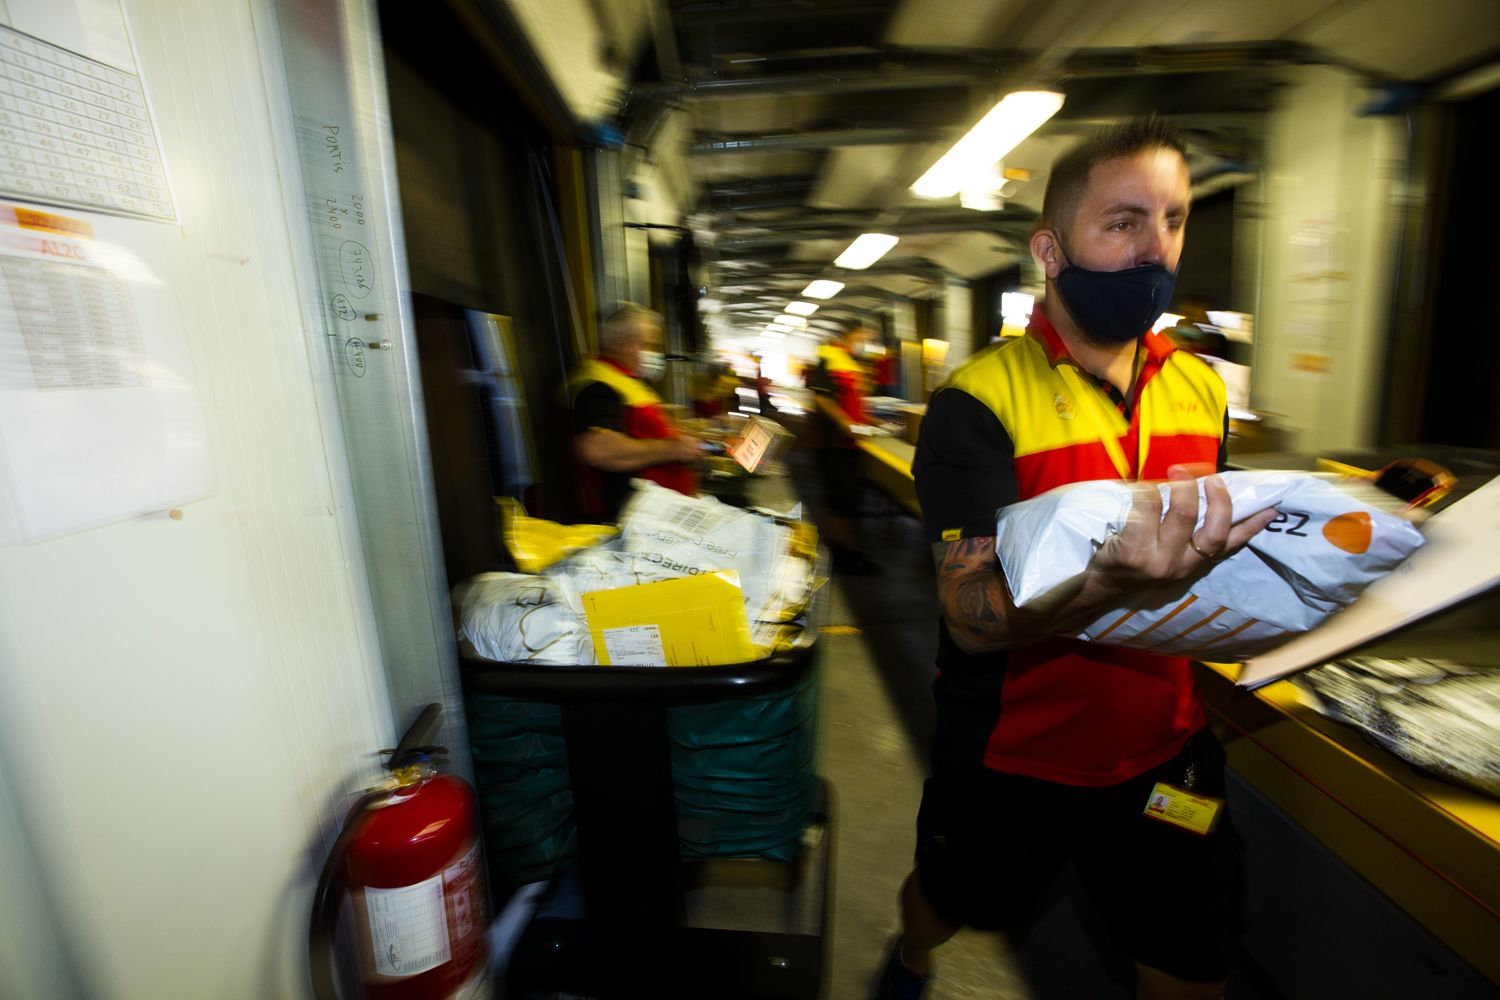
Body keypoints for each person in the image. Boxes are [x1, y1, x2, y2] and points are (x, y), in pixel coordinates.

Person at [876, 118, 1279, 1000]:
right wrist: (1109, 578)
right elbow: (970, 618)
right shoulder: (980, 403)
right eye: (1123, 222)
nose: (1155, 249)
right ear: (1051, 251)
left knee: (1191, 962)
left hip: (1164, 746)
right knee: (948, 901)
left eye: (1172, 219)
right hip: (1015, 755)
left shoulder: (1202, 388)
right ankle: (909, 954)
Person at [569, 303, 701, 522]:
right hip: (630, 520)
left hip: (661, 514)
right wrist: (673, 448)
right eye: (648, 345)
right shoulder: (598, 385)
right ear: (622, 343)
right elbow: (597, 448)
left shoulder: (624, 378)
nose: (655, 353)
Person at [807, 321, 885, 574]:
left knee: (851, 501)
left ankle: (853, 551)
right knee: (840, 501)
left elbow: (854, 403)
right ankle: (844, 555)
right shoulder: (828, 358)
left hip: (850, 445)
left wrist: (876, 422)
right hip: (833, 444)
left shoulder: (851, 362)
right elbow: (821, 398)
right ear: (850, 334)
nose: (867, 342)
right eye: (865, 336)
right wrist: (845, 423)